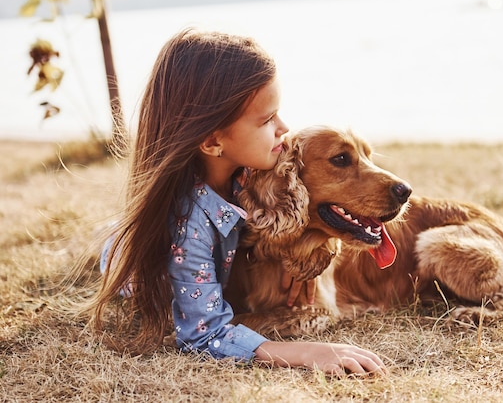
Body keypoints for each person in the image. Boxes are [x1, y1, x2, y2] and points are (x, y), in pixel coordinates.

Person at [90, 28, 387, 376]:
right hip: (136, 263)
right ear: (213, 141)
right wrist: (308, 352)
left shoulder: (247, 169)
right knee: (116, 248)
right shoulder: (188, 230)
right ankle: (112, 240)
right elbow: (204, 335)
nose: (284, 128)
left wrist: (303, 260)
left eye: (278, 113)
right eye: (267, 120)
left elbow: (294, 218)